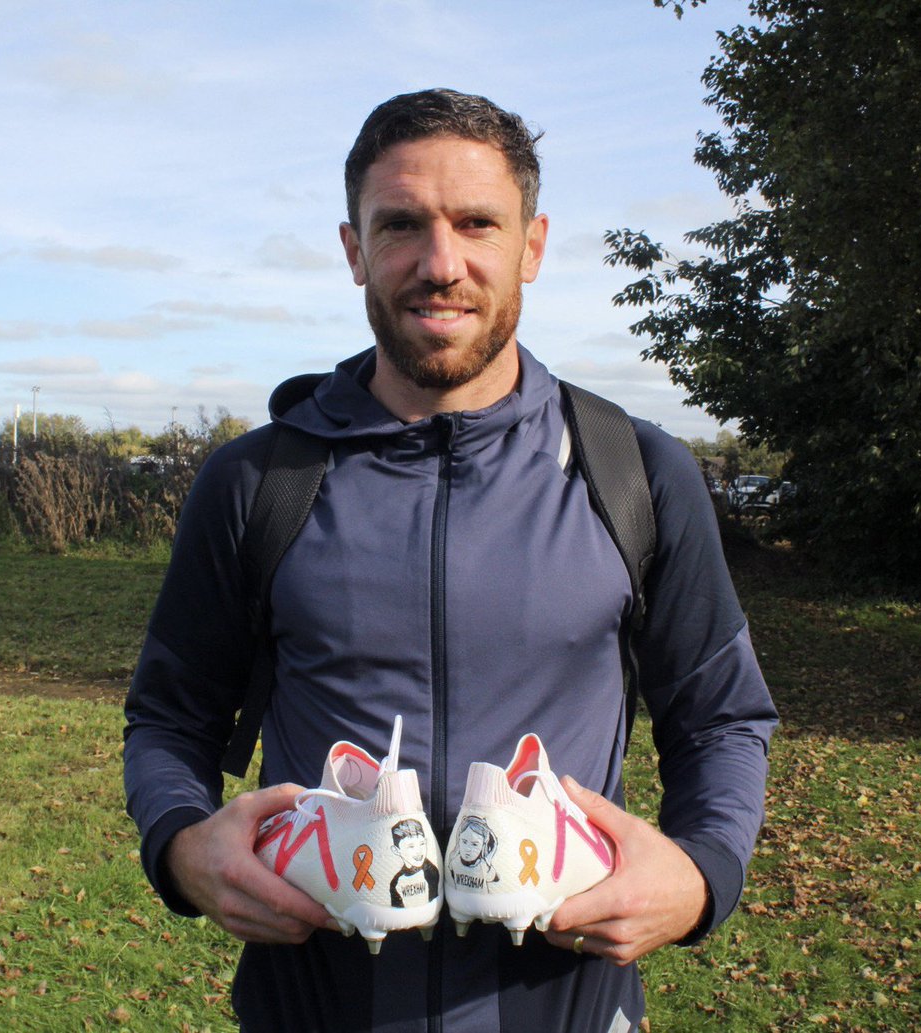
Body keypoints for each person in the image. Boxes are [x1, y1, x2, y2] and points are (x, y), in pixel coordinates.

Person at [124, 87, 778, 1033]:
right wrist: (182, 845)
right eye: (400, 226)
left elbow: (721, 716)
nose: (441, 264)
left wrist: (701, 868)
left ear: (534, 244)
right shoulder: (258, 479)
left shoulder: (632, 472)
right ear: (354, 250)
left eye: (478, 223)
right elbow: (169, 716)